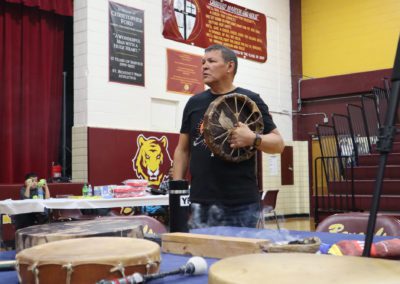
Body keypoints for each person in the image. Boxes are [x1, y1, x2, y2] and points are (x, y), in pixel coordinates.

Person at [173, 44, 285, 228]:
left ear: (229, 66)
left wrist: (253, 138)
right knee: (202, 256)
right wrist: (176, 193)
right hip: (201, 202)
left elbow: (278, 144)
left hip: (241, 204)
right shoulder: (194, 103)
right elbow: (182, 150)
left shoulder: (251, 100)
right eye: (202, 62)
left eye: (211, 61)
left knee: (241, 257)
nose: (204, 66)